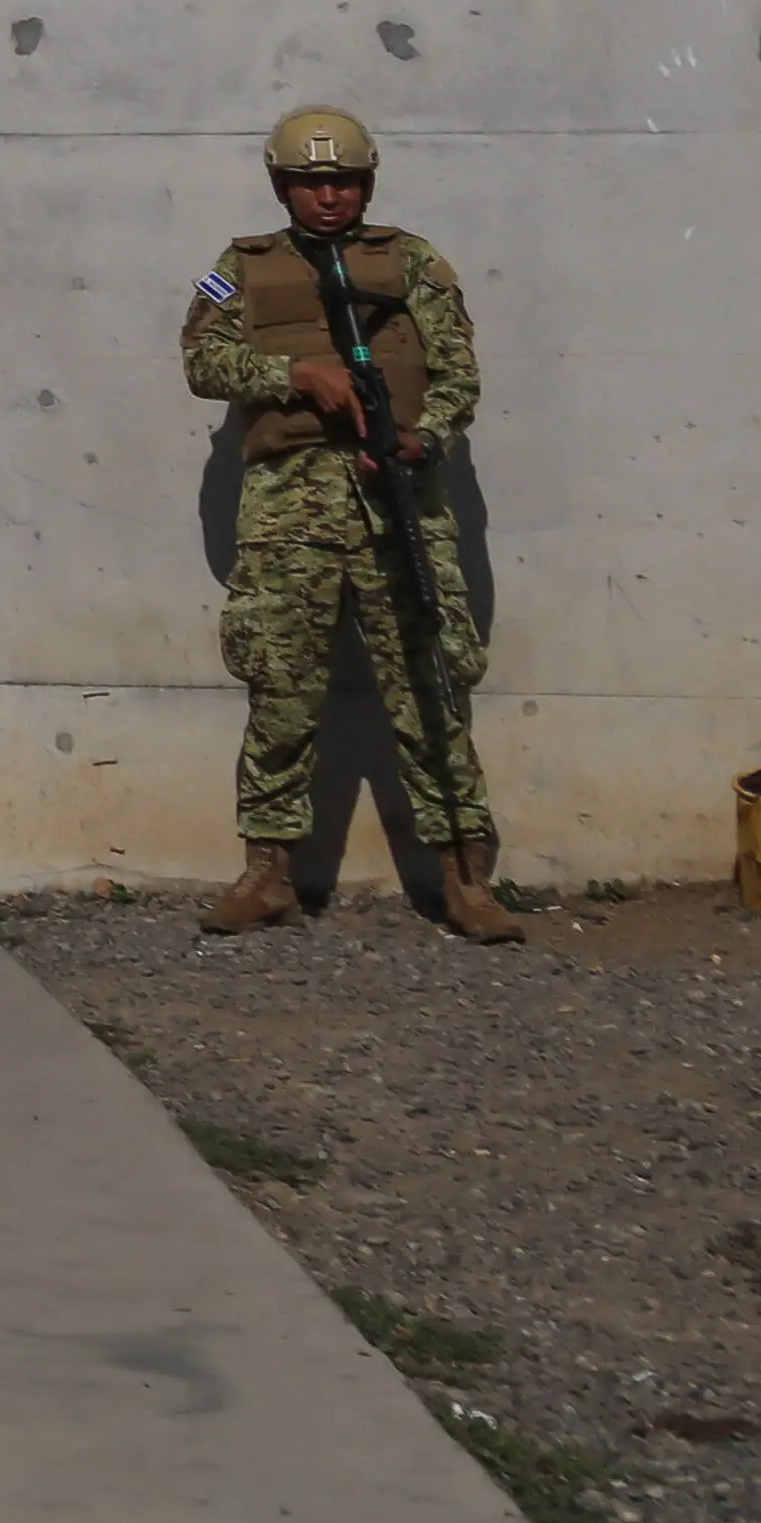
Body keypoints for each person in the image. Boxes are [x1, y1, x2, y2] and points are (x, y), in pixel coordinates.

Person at [181, 102, 516, 942]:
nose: (328, 197)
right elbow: (202, 358)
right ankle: (267, 873)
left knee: (430, 688)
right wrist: (297, 375)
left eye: (343, 181)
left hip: (397, 501)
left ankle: (465, 878)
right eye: (309, 182)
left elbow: (458, 376)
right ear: (281, 186)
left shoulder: (412, 261)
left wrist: (419, 439)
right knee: (281, 690)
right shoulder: (240, 266)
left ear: (366, 183)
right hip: (290, 512)